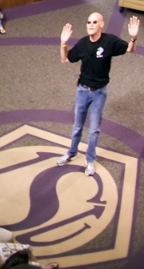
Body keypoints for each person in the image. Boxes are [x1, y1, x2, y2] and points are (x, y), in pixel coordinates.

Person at [57, 12, 139, 177]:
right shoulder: (82, 44)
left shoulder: (110, 42)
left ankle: (89, 160)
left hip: (99, 93)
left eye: (95, 22)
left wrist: (133, 38)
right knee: (77, 127)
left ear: (101, 24)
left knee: (94, 130)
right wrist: (63, 43)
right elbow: (65, 59)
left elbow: (130, 49)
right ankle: (71, 153)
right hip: (82, 90)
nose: (91, 25)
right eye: (88, 22)